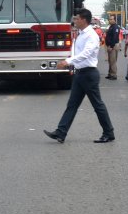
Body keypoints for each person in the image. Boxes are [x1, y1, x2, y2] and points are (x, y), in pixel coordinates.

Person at [44, 8, 115, 144]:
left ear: (83, 20)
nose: (74, 21)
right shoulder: (80, 34)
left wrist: (68, 62)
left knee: (97, 105)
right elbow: (76, 53)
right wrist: (71, 62)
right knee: (72, 105)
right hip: (80, 73)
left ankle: (108, 132)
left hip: (89, 74)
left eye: (76, 18)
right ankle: (61, 132)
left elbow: (86, 54)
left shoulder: (91, 35)